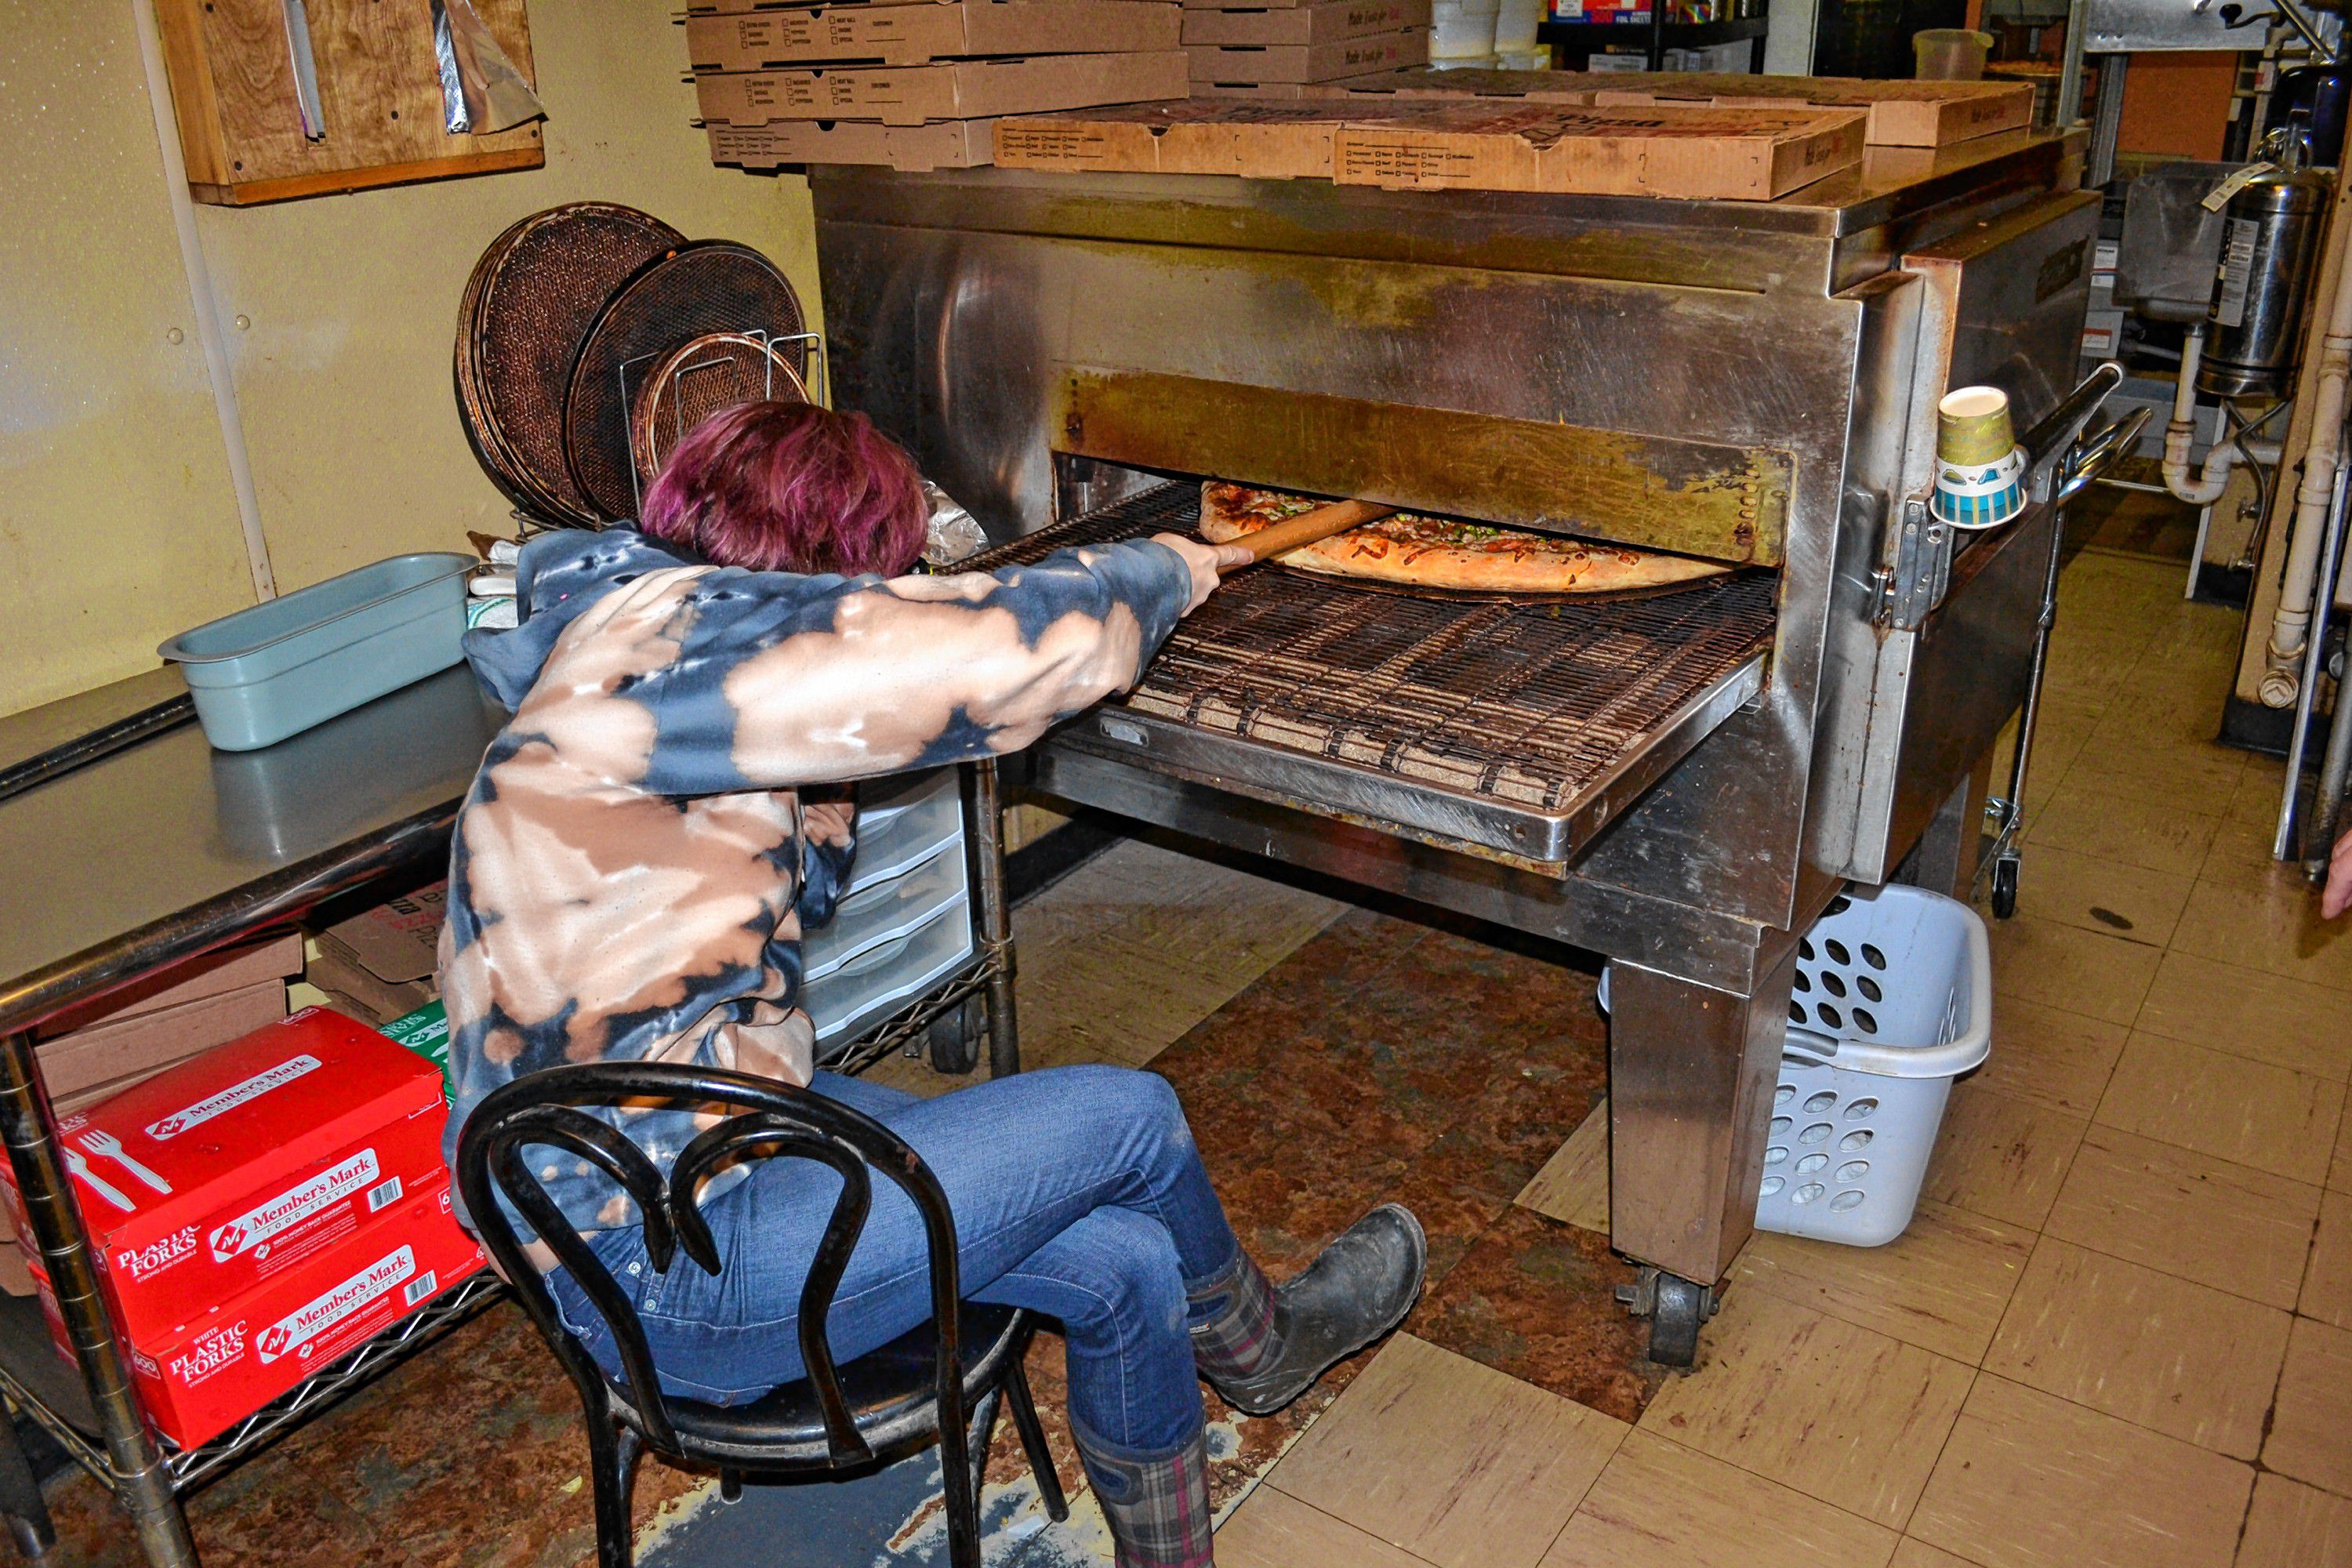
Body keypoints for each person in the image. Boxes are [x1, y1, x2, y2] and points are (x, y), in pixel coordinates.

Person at [438, 400, 1425, 1568]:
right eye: (883, 565)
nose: (898, 583)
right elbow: (997, 649)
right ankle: (1268, 1347)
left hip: (690, 1147)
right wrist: (1158, 571)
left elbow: (778, 891)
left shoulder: (623, 636)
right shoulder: (683, 649)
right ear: (825, 567)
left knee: (1127, 1261)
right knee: (1131, 1118)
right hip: (677, 1266)